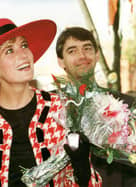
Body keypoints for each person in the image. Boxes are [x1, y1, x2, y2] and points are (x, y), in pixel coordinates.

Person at [0, 18, 102, 186]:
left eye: (24, 45)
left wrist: (82, 170)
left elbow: (90, 183)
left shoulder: (64, 108)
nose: (23, 54)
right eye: (9, 50)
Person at [55, 26, 136, 187]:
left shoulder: (126, 105)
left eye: (87, 48)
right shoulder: (51, 107)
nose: (82, 56)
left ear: (97, 55)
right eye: (72, 51)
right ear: (61, 61)